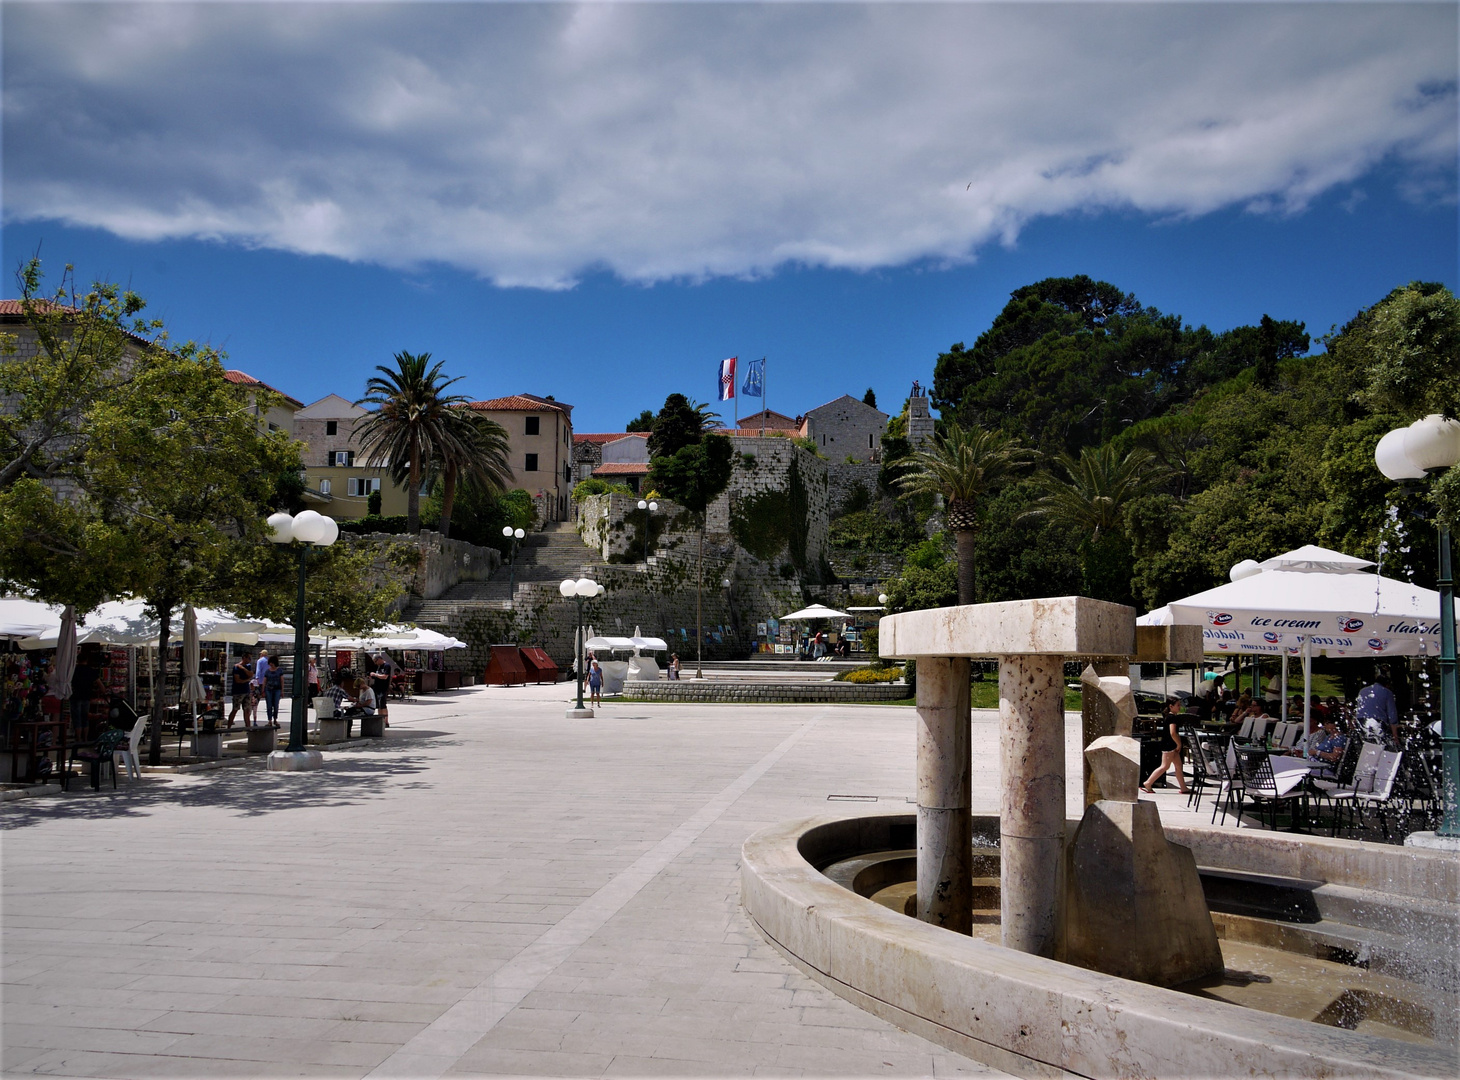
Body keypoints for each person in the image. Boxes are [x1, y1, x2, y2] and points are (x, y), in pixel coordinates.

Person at [1141, 699, 1189, 795]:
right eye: (1178, 705)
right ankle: (1148, 783)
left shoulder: (1171, 717)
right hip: (1169, 745)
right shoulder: (1172, 718)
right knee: (1165, 766)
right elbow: (1173, 732)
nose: (1179, 707)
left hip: (1171, 745)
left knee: (1178, 766)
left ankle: (1183, 787)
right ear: (1171, 706)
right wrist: (1179, 744)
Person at [1355, 675, 1399, 742]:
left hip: (1360, 722)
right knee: (1380, 746)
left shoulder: (1362, 691)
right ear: (1387, 684)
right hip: (1377, 723)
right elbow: (1392, 716)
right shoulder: (1387, 692)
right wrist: (1395, 736)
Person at [227, 651, 254, 729]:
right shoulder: (236, 667)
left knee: (247, 710)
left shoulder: (247, 666)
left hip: (246, 690)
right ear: (244, 658)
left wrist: (243, 668)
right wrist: (247, 680)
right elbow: (238, 680)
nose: (250, 660)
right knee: (235, 709)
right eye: (249, 658)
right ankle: (229, 727)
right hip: (238, 691)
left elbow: (251, 674)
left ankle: (248, 727)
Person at [262, 655, 284, 728]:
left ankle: (275, 719)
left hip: (277, 689)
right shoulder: (267, 671)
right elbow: (264, 681)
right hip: (268, 689)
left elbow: (282, 681)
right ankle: (269, 720)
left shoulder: (279, 670)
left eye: (271, 662)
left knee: (276, 705)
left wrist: (282, 690)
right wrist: (263, 690)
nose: (270, 664)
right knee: (269, 705)